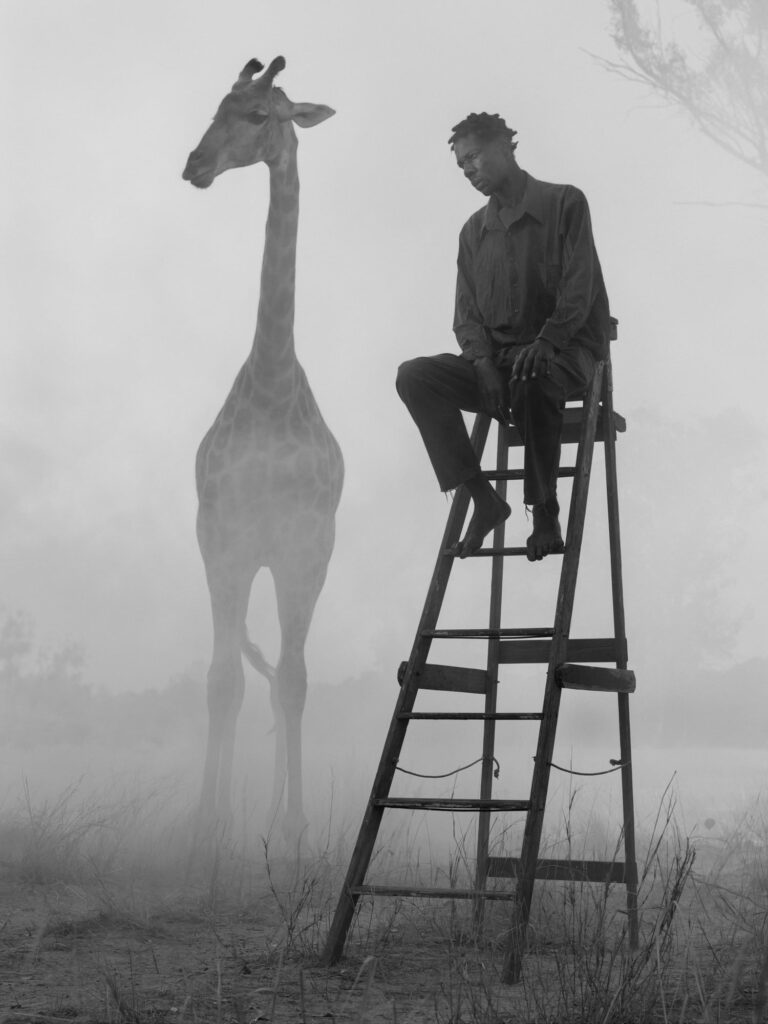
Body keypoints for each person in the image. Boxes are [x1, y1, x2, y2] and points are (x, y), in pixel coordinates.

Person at [396, 112, 611, 561]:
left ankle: (545, 508)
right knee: (414, 376)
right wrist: (481, 364)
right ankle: (484, 500)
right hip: (500, 366)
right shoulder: (473, 232)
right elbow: (466, 315)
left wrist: (547, 342)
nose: (469, 170)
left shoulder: (565, 203)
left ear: (506, 147)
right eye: (461, 166)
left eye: (474, 157)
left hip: (566, 356)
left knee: (533, 375)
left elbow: (579, 287)